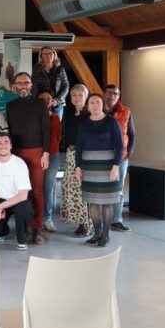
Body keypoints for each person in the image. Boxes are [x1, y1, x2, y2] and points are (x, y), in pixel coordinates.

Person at [6, 72, 50, 245]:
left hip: (37, 152)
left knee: (37, 191)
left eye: (26, 82)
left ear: (31, 85)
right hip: (17, 153)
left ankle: (37, 228)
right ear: (14, 86)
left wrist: (46, 153)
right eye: (19, 83)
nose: (22, 85)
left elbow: (46, 129)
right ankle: (22, 226)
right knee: (20, 191)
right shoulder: (10, 106)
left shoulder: (40, 104)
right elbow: (9, 131)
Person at [75, 93, 123, 247]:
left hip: (108, 165)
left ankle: (106, 235)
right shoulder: (83, 123)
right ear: (87, 106)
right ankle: (97, 232)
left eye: (98, 102)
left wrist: (116, 165)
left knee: (107, 202)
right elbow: (79, 146)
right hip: (88, 165)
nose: (95, 105)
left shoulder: (111, 122)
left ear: (103, 104)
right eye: (92, 102)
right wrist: (78, 166)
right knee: (92, 201)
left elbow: (120, 146)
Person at [0, 133, 33, 251]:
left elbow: (23, 195)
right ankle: (3, 231)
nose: (3, 145)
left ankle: (22, 239)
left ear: (11, 145)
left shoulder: (19, 164)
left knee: (23, 209)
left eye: (6, 142)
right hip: (0, 200)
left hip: (18, 200)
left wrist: (0, 206)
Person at [61, 84, 94, 236]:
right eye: (74, 95)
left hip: (85, 156)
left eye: (80, 95)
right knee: (73, 189)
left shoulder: (90, 115)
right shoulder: (69, 114)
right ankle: (80, 220)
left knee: (84, 190)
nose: (77, 98)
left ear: (86, 97)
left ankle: (87, 224)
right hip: (71, 154)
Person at [104, 84, 136, 233]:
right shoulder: (98, 109)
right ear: (104, 93)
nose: (112, 96)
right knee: (100, 188)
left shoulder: (126, 111)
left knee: (118, 188)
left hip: (121, 157)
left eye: (115, 93)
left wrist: (128, 153)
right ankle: (98, 219)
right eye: (110, 92)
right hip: (101, 156)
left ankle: (116, 220)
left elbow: (132, 134)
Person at [37, 90, 62, 233]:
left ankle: (47, 218)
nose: (46, 100)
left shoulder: (55, 117)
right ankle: (36, 217)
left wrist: (51, 150)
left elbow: (58, 136)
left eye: (48, 98)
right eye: (42, 98)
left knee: (48, 187)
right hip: (36, 156)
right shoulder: (33, 116)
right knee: (36, 187)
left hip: (53, 156)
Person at [31, 46, 69, 119]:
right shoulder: (37, 69)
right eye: (45, 54)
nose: (48, 55)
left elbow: (65, 86)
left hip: (58, 104)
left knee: (56, 124)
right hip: (41, 104)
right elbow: (33, 86)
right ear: (41, 56)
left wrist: (57, 100)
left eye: (50, 53)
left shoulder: (60, 69)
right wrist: (39, 100)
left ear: (54, 55)